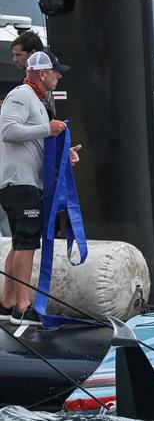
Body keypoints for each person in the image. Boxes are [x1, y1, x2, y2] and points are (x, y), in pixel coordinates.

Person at [0, 51, 79, 326]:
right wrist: (48, 128)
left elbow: (32, 139)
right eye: (56, 71)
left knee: (20, 243)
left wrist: (64, 152)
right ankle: (23, 306)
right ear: (42, 73)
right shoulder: (22, 94)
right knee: (27, 244)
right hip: (19, 182)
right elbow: (8, 131)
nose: (59, 76)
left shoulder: (35, 99)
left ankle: (7, 302)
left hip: (22, 181)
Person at [7, 31, 55, 118]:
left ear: (33, 53)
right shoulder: (29, 79)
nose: (14, 59)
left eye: (18, 55)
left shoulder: (46, 79)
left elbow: (51, 112)